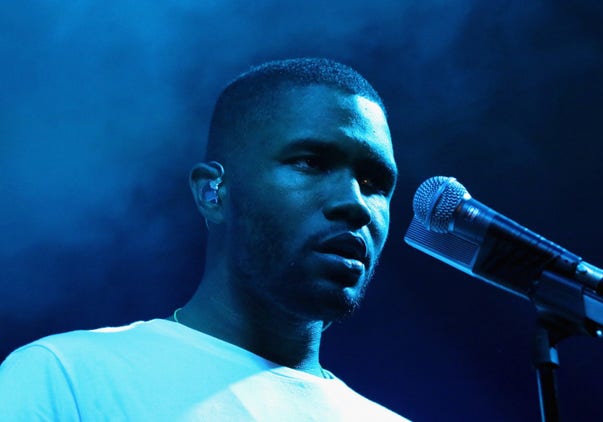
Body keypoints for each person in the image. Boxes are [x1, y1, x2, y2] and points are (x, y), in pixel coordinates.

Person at [0, 58, 407, 420]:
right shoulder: (66, 377)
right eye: (309, 163)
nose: (355, 204)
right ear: (213, 192)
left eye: (375, 184)